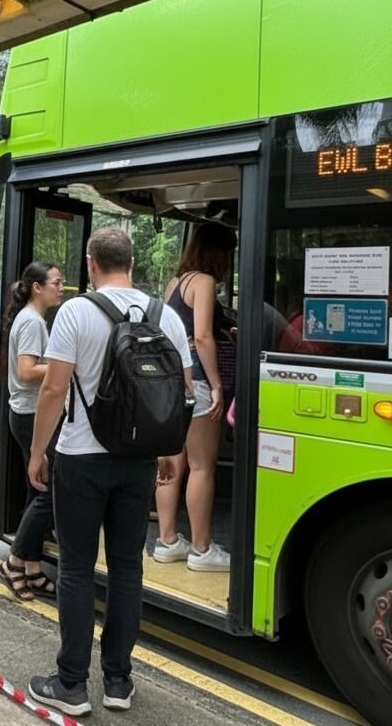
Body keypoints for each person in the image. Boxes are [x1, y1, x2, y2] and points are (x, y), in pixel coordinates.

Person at [25, 228, 194, 716]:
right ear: (134, 262)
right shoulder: (166, 317)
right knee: (127, 568)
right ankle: (118, 680)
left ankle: (71, 684)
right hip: (139, 460)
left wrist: (39, 452)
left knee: (77, 568)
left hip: (81, 458)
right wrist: (167, 451)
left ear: (90, 263)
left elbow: (54, 391)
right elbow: (178, 396)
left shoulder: (76, 312)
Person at [154, 222, 235, 573]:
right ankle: (202, 549)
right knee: (202, 467)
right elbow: (202, 337)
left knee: (172, 463)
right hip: (197, 383)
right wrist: (216, 385)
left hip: (170, 382)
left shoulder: (175, 282)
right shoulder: (204, 282)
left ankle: (167, 541)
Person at [0, 262, 63, 601]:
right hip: (32, 415)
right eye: (56, 282)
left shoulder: (31, 319)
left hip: (24, 413)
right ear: (37, 287)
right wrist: (64, 365)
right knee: (50, 492)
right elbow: (25, 371)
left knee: (36, 490)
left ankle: (33, 568)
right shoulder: (33, 322)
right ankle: (14, 561)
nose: (61, 287)